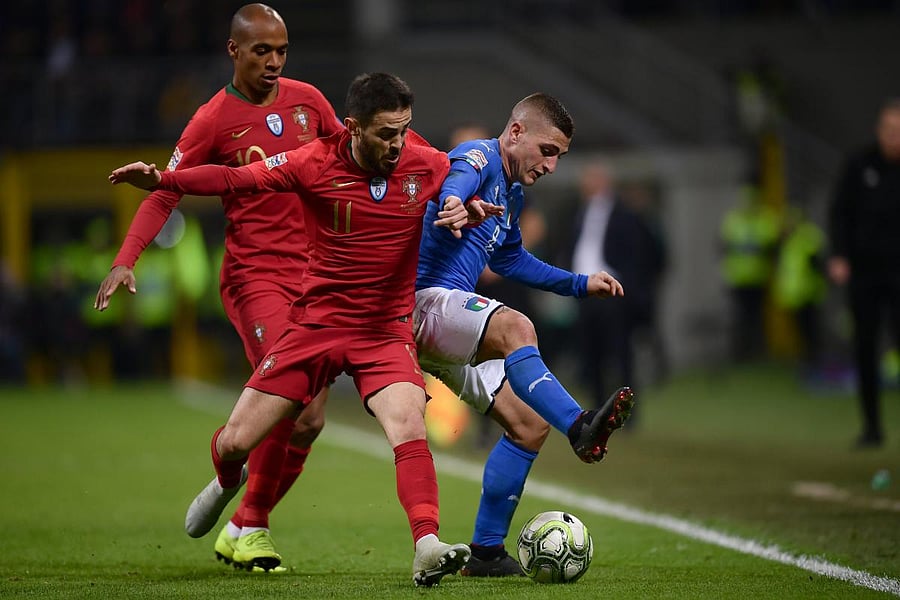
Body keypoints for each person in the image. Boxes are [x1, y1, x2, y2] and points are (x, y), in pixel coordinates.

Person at [108, 71, 477, 587]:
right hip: (315, 326)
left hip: (383, 331)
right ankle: (226, 482)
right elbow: (236, 180)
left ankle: (426, 543)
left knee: (409, 424)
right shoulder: (314, 160)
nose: (397, 144)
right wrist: (165, 181)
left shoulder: (418, 157)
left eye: (403, 130)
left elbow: (461, 167)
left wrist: (466, 200)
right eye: (385, 134)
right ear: (352, 128)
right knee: (236, 441)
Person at [94, 3, 343, 572]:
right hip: (257, 278)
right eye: (262, 51)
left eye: (281, 51)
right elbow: (165, 189)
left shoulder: (309, 102)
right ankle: (250, 519)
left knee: (309, 419)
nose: (274, 62)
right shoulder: (212, 118)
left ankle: (239, 520)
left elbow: (355, 156)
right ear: (234, 51)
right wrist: (125, 259)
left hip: (316, 278)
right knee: (288, 398)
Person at [414, 93, 635, 576]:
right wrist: (453, 200)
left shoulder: (512, 194)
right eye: (548, 150)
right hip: (421, 304)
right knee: (517, 326)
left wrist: (579, 284)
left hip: (448, 324)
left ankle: (487, 553)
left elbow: (510, 259)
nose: (552, 166)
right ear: (516, 133)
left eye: (560, 156)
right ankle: (580, 427)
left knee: (529, 426)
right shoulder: (479, 156)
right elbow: (459, 175)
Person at [558, 161, 665, 417]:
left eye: (591, 180)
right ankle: (598, 412)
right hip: (585, 292)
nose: (586, 185)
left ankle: (628, 413)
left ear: (605, 182)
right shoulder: (578, 213)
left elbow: (647, 254)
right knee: (590, 355)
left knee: (620, 355)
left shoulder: (626, 214)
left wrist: (634, 288)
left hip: (614, 294)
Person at [827, 98, 900, 449]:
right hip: (867, 272)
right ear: (879, 130)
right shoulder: (859, 164)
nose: (894, 137)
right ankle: (872, 426)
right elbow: (840, 211)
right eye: (890, 129)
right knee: (866, 347)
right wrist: (840, 255)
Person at [719, 181, 781, 362]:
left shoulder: (765, 219)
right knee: (740, 318)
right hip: (738, 279)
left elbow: (773, 247)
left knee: (757, 318)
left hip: (759, 278)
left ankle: (758, 352)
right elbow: (722, 247)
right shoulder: (733, 220)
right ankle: (741, 353)